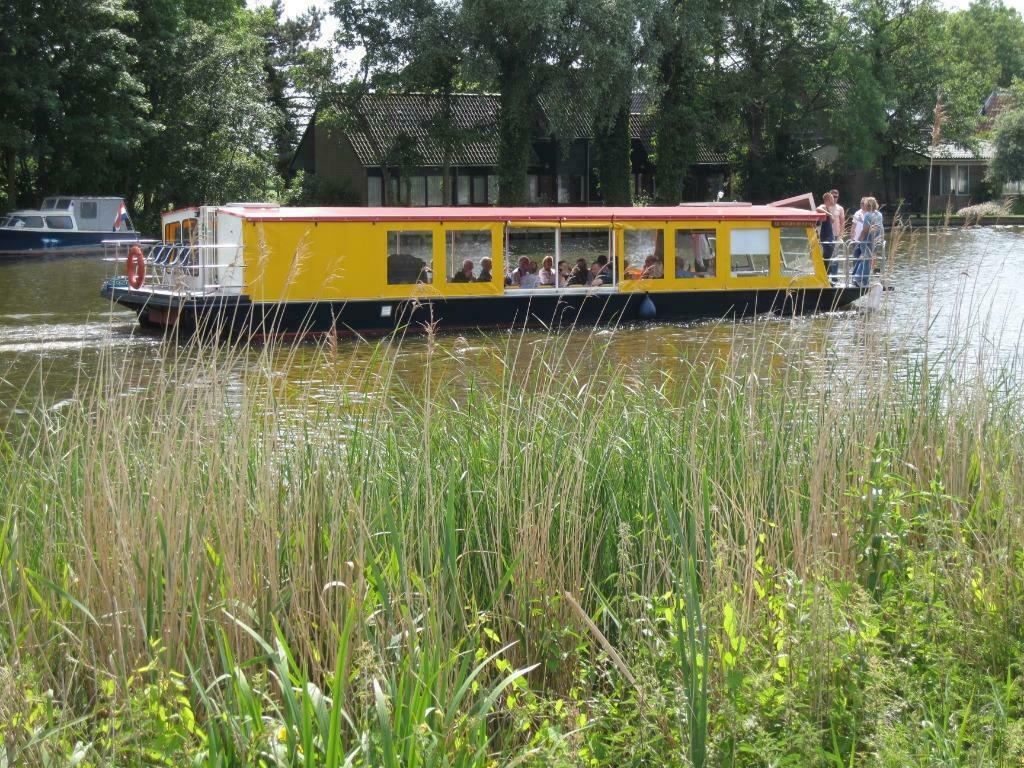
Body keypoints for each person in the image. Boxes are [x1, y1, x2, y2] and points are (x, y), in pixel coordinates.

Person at [855, 197, 883, 287]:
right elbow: (880, 228)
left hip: (867, 241)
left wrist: (859, 240)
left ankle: (858, 279)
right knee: (868, 260)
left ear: (867, 205)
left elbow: (865, 230)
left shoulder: (868, 215)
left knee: (865, 260)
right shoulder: (879, 214)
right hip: (875, 241)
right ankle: (864, 280)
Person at [818, 192, 836, 276]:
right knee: (827, 257)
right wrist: (830, 215)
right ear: (828, 199)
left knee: (828, 256)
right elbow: (818, 208)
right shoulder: (823, 206)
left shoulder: (828, 208)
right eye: (832, 197)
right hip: (826, 236)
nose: (834, 199)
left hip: (829, 235)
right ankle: (826, 275)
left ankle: (827, 275)